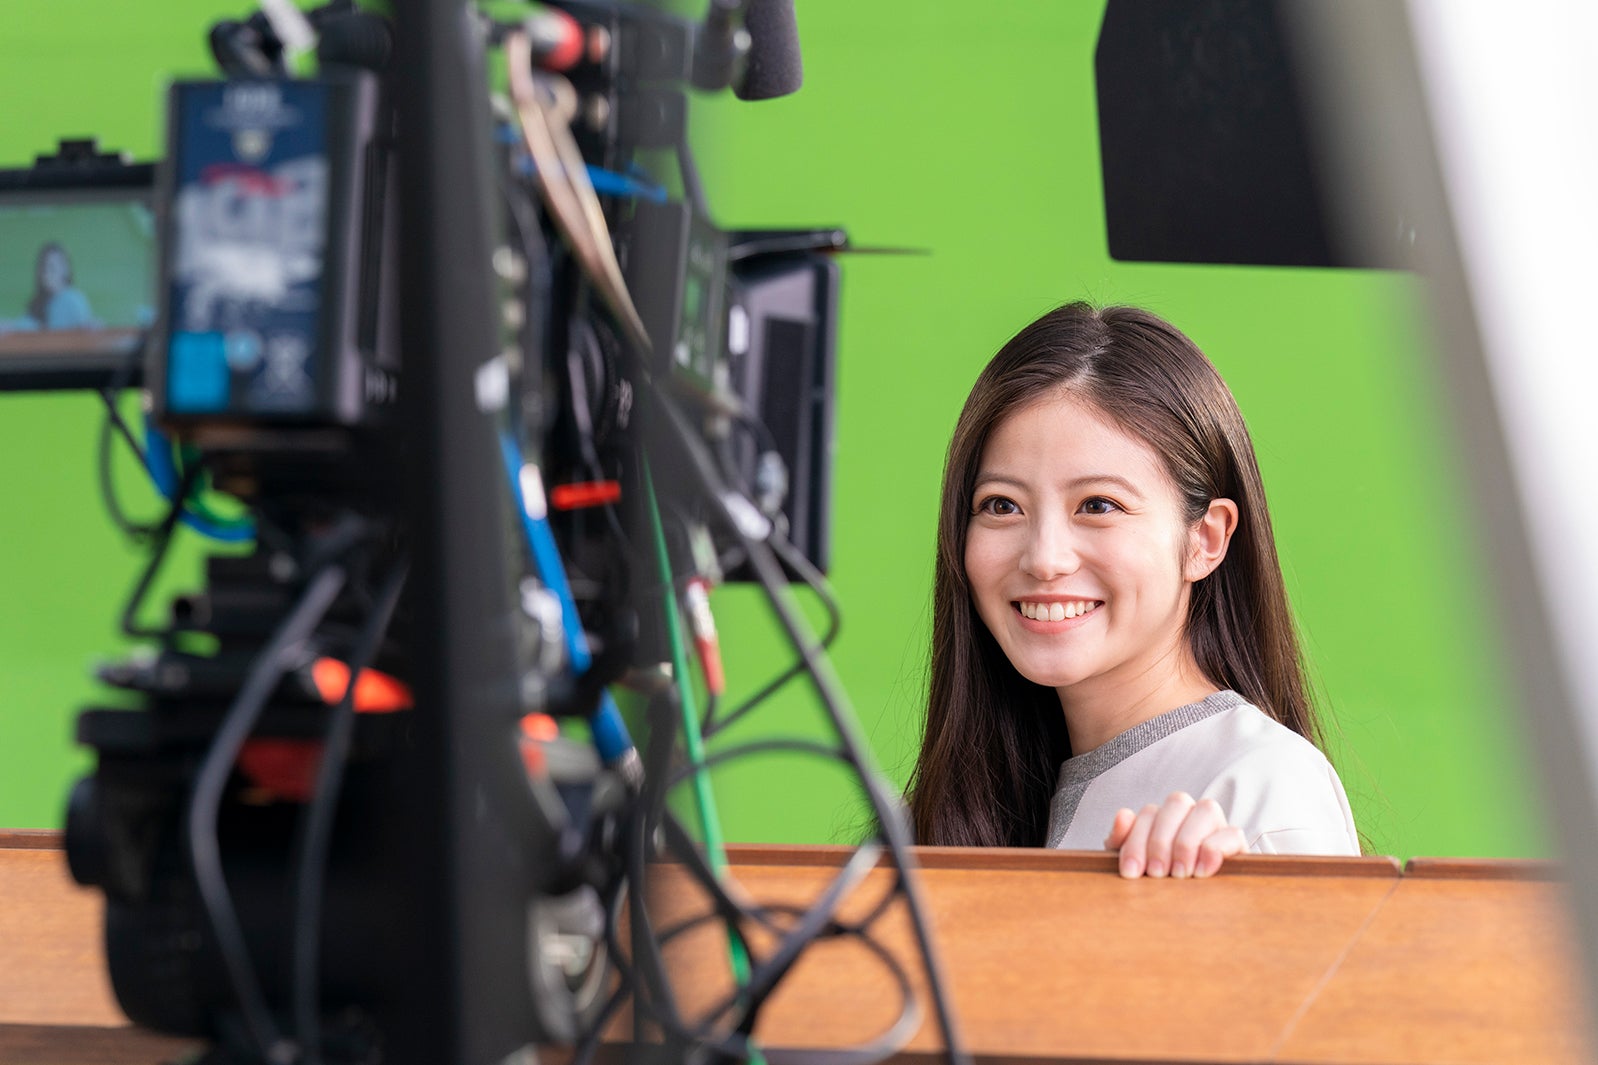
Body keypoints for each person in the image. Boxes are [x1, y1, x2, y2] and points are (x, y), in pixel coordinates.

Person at [907, 302, 1358, 877]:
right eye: (1002, 505)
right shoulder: (960, 811)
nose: (1044, 558)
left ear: (1205, 539)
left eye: (1099, 505)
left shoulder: (1257, 793)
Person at [24, 242, 98, 330]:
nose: (47, 274)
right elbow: (27, 326)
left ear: (65, 270)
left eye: (52, 268)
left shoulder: (74, 300)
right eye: (43, 268)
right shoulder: (40, 303)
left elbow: (87, 328)